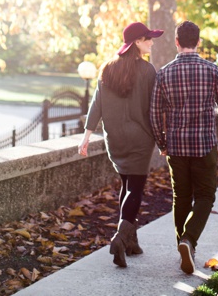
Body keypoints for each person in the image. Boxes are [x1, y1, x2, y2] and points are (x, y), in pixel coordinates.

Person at [149, 20, 218, 275]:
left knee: (181, 197)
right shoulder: (212, 70)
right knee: (206, 196)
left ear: (176, 42)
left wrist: (162, 143)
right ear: (198, 42)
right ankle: (189, 241)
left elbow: (155, 113)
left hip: (175, 147)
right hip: (204, 145)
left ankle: (184, 245)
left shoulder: (164, 73)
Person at [78, 21, 161, 268]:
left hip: (114, 139)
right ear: (136, 42)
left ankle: (131, 243)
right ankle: (119, 240)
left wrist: (86, 136)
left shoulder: (107, 69)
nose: (152, 43)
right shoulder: (148, 71)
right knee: (135, 189)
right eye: (148, 39)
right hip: (140, 139)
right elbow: (154, 108)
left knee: (127, 185)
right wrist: (161, 137)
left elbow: (96, 106)